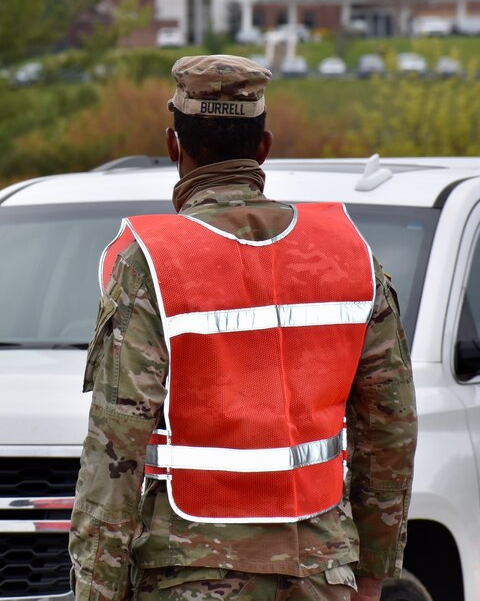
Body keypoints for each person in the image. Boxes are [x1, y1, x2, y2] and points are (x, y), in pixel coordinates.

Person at [69, 55, 417, 601]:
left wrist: (97, 590)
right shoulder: (349, 255)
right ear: (264, 147)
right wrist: (371, 573)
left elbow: (116, 445)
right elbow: (390, 428)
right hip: (324, 572)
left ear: (173, 146)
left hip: (193, 572)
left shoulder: (152, 262)